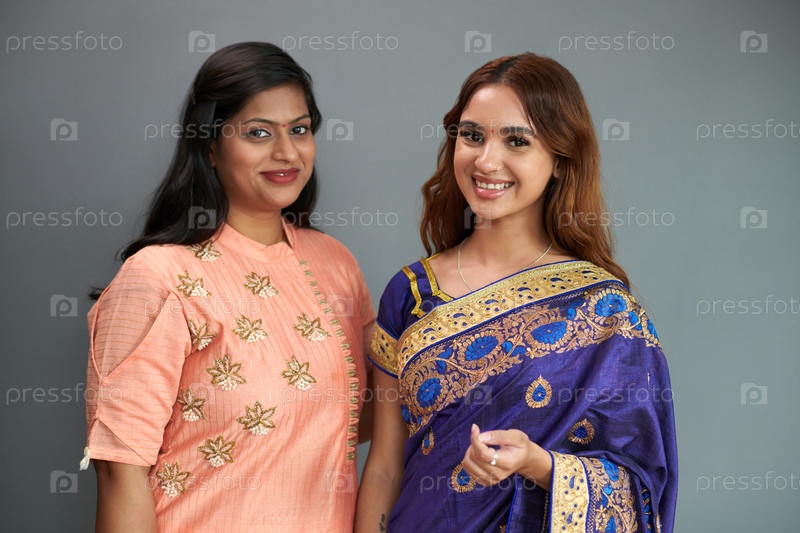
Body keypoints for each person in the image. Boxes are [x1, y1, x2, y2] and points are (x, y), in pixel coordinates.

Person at [355, 53, 677, 532]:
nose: (486, 160)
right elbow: (384, 467)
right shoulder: (411, 292)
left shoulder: (603, 309)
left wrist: (537, 464)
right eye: (472, 135)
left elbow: (640, 490)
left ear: (561, 160)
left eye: (517, 141)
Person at [81, 42, 375, 532]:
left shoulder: (335, 263)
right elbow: (119, 471)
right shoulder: (158, 276)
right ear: (211, 147)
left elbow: (367, 413)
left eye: (299, 129)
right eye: (259, 132)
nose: (287, 153)